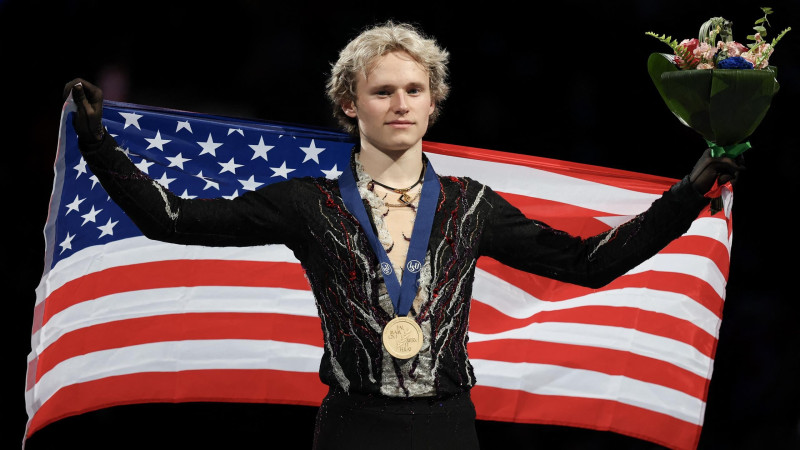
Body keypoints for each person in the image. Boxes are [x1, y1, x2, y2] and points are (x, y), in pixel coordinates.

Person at [63, 20, 742, 450]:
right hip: (351, 428)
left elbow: (588, 263)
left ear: (433, 102)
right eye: (382, 91)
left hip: (448, 428)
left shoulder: (470, 206)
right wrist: (97, 145)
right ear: (349, 103)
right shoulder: (307, 204)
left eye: (414, 90)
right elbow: (173, 220)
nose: (400, 104)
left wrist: (686, 195)